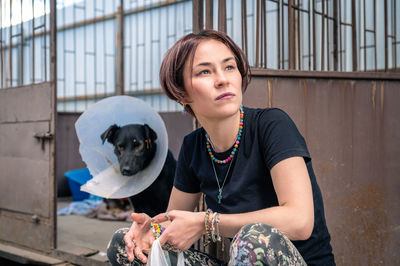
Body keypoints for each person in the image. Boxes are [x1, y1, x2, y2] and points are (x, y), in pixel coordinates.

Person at [107, 29, 335, 266]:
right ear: (181, 92)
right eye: (205, 71)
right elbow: (171, 222)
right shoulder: (192, 146)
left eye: (229, 67)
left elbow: (300, 221)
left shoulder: (272, 125)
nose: (222, 79)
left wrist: (206, 222)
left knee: (254, 237)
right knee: (124, 245)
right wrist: (151, 229)